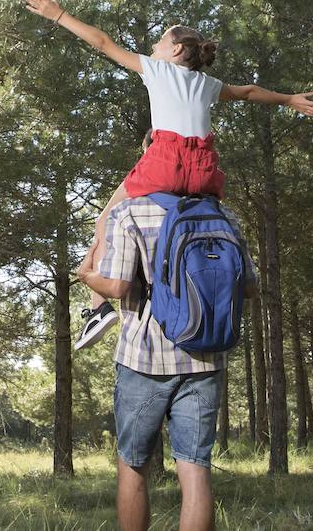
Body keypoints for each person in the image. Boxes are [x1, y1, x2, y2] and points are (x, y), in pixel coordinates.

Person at [22, 0, 313, 349]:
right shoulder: (208, 84)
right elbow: (248, 92)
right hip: (204, 171)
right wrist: (289, 99)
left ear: (176, 50)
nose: (151, 50)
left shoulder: (159, 69)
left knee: (107, 218)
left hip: (167, 162)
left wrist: (57, 14)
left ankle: (99, 307)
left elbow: (102, 42)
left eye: (158, 43)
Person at [78, 192, 256, 531]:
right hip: (206, 359)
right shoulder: (223, 215)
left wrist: (88, 277)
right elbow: (249, 287)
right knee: (195, 469)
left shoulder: (130, 212)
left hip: (144, 359)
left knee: (133, 465)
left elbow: (116, 285)